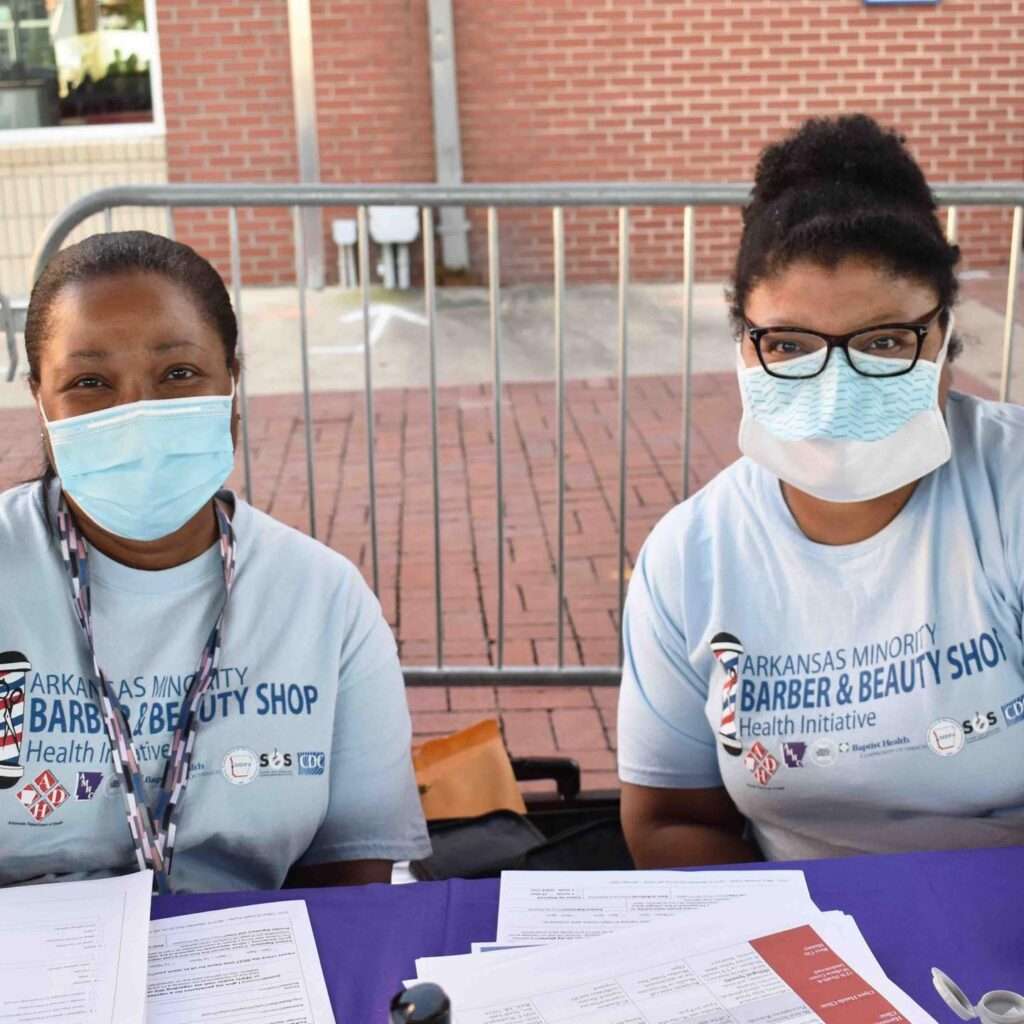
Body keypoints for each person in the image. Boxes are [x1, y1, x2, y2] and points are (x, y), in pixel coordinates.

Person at [617, 114, 1024, 866]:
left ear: (944, 337)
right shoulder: (690, 558)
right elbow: (672, 819)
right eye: (792, 346)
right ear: (743, 342)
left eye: (883, 342)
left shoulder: (1011, 496)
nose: (837, 388)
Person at [0, 231, 430, 892]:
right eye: (89, 382)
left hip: (244, 973)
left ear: (232, 378)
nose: (137, 414)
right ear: (40, 402)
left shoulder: (322, 600)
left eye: (178, 373)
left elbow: (354, 877)